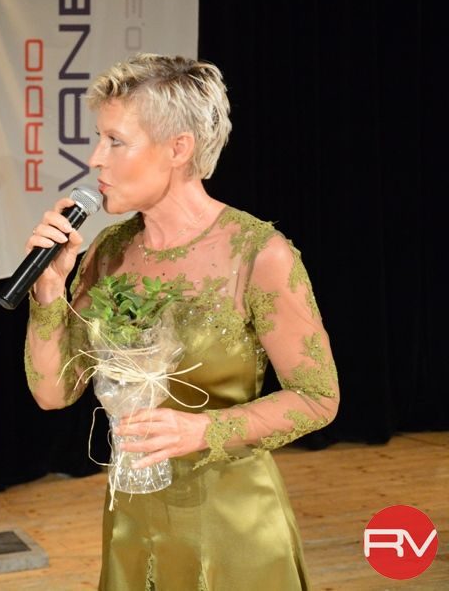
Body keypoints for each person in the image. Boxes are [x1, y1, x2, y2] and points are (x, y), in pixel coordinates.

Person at [23, 53, 339, 589]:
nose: (95, 160)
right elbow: (53, 394)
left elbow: (317, 398)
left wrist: (204, 429)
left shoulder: (258, 253)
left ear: (178, 148)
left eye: (115, 141)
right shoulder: (108, 251)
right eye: (99, 139)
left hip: (232, 528)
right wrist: (49, 291)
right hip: (132, 521)